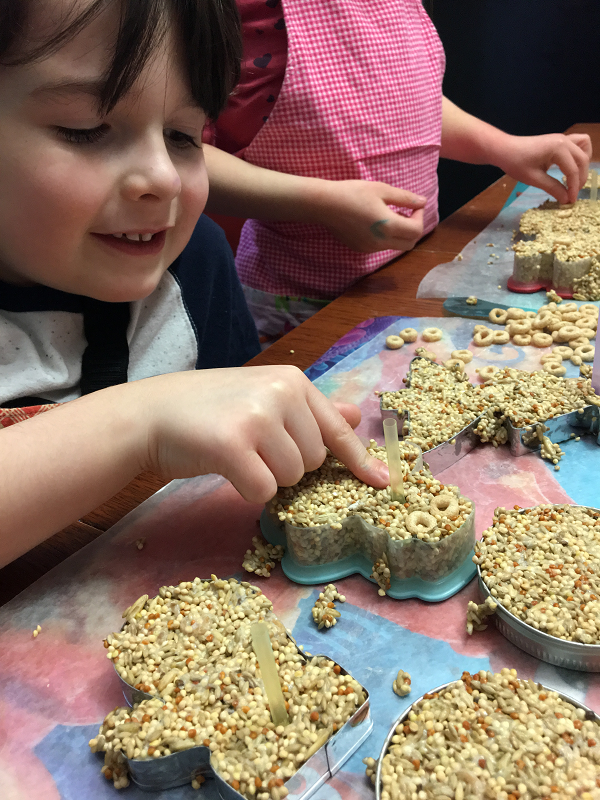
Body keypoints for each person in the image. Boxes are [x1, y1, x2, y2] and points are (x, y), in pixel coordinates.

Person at [0, 0, 388, 567]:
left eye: (184, 136)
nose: (162, 176)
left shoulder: (194, 260)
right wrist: (139, 422)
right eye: (86, 129)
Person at [202, 0, 593, 344]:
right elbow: (182, 154)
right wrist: (321, 204)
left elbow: (402, 101)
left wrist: (500, 146)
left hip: (414, 274)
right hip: (304, 304)